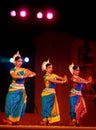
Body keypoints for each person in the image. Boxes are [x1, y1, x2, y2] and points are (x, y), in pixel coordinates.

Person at [3, 51, 36, 125]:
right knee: (11, 104)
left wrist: (29, 75)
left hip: (21, 89)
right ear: (15, 62)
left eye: (21, 61)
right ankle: (10, 120)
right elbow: (14, 76)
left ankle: (15, 120)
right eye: (19, 61)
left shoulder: (24, 69)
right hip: (13, 89)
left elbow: (34, 74)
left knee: (20, 105)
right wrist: (24, 76)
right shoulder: (12, 70)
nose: (20, 63)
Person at [40, 59, 68, 126]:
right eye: (49, 68)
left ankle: (48, 121)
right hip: (46, 94)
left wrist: (65, 78)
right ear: (46, 69)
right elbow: (53, 81)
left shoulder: (53, 75)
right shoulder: (46, 76)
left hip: (52, 93)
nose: (51, 69)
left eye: (51, 68)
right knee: (45, 107)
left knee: (51, 108)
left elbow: (62, 78)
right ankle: (44, 120)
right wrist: (62, 82)